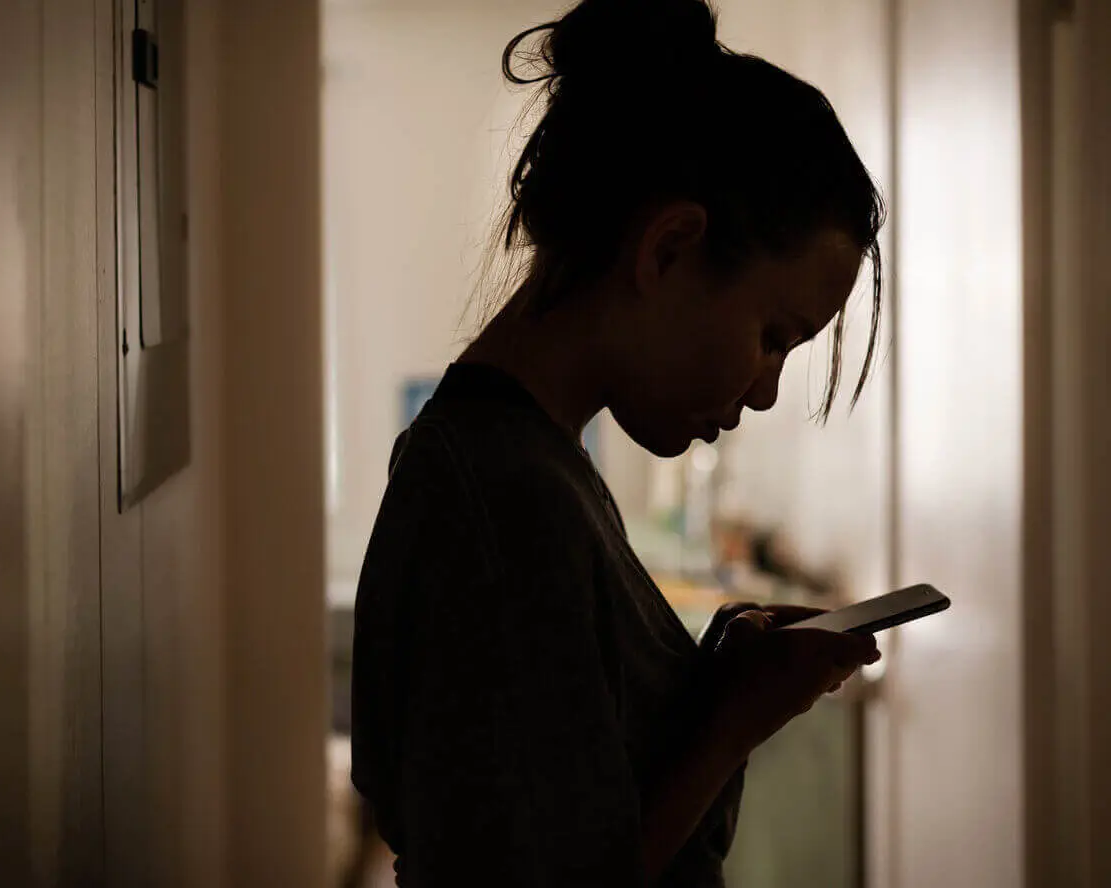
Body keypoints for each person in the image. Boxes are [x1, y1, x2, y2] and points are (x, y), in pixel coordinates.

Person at [351, 0, 885, 884]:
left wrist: (715, 678)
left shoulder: (529, 466)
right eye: (773, 335)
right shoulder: (506, 497)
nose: (764, 391)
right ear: (670, 248)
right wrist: (730, 724)